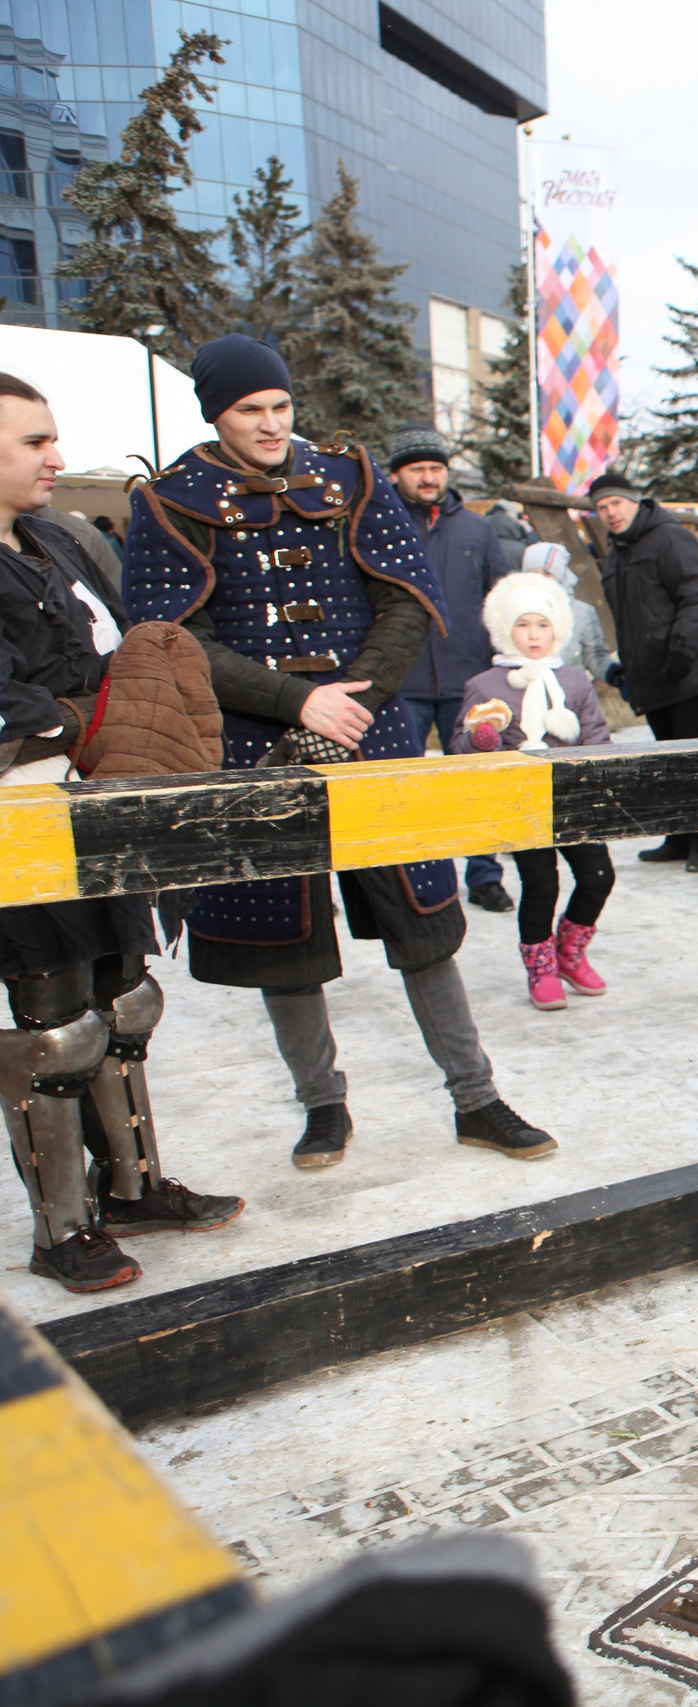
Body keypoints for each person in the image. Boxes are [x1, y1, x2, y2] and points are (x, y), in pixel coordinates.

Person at [121, 334, 557, 1171]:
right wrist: (297, 701)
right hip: (256, 746)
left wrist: (351, 700)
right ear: (217, 412)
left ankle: (477, 1097)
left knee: (422, 922)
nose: (272, 423)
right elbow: (174, 642)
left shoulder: (350, 478)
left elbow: (406, 600)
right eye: (252, 410)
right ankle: (323, 1108)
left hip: (373, 729)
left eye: (281, 406)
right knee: (284, 937)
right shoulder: (171, 502)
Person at [0, 371, 242, 1292]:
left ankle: (133, 1185)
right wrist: (86, 718)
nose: (56, 457)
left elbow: (117, 653)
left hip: (98, 811)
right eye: (34, 442)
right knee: (54, 1029)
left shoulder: (57, 545)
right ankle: (60, 1228)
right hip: (19, 825)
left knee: (122, 1002)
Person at [459, 573, 617, 1007]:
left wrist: (599, 782)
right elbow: (460, 747)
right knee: (540, 884)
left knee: (598, 876)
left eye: (542, 624)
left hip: (574, 801)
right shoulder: (485, 685)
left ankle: (570, 951)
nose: (533, 634)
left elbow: (597, 738)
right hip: (521, 806)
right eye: (523, 624)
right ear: (506, 630)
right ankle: (540, 965)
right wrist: (480, 739)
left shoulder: (574, 681)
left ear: (557, 629)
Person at [386, 425, 512, 911]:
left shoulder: (477, 529)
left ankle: (484, 875)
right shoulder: (380, 525)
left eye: (435, 468)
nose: (428, 477)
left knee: (477, 779)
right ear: (396, 474)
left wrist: (497, 660)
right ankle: (411, 874)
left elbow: (500, 598)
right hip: (405, 678)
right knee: (404, 784)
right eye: (417, 469)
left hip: (468, 678)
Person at [589, 465, 698, 871]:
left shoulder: (669, 537)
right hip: (650, 677)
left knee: (696, 760)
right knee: (667, 763)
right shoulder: (616, 553)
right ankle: (677, 837)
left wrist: (682, 649)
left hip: (687, 671)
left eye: (616, 502)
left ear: (634, 501)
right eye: (601, 507)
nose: (611, 512)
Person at [522, 541, 615, 686]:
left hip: (572, 692)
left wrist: (615, 675)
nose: (540, 579)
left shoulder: (582, 613)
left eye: (547, 574)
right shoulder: (517, 613)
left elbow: (595, 656)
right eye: (533, 573)